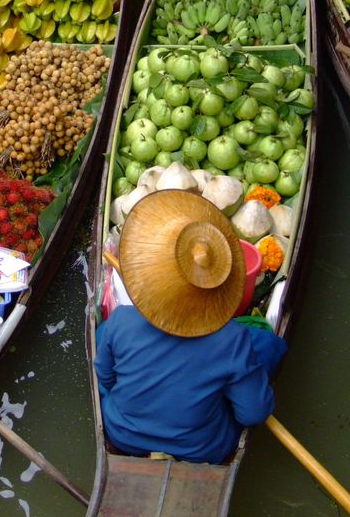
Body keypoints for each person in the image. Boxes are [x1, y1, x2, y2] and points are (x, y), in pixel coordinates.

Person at [95, 189, 287, 465]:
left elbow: (105, 378)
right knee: (268, 347)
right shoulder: (232, 339)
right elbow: (253, 413)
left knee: (104, 337)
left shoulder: (122, 320)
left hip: (123, 434)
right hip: (202, 449)